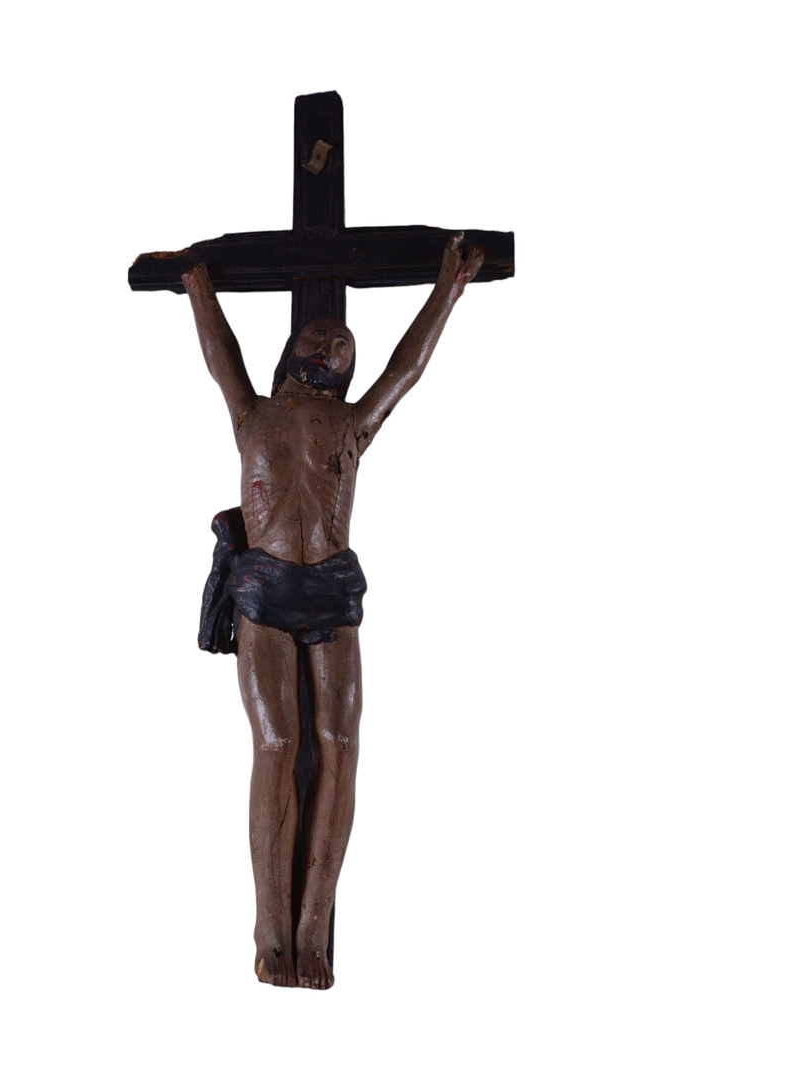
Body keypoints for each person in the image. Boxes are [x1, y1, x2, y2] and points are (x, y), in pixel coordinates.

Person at [182, 233, 484, 989]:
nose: (330, 344)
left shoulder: (353, 424)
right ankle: (270, 924)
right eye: (320, 337)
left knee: (341, 744)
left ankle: (314, 920)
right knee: (277, 743)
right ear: (290, 351)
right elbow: (221, 357)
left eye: (343, 346)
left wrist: (448, 289)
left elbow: (406, 370)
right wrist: (198, 288)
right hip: (264, 588)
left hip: (332, 591)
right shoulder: (252, 414)